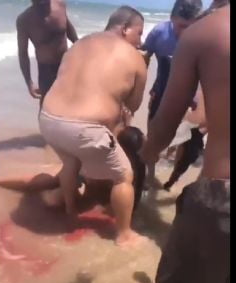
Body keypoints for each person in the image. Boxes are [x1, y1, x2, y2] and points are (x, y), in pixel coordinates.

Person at [124, 4, 230, 283]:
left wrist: (145, 154)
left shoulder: (206, 31)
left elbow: (167, 122)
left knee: (174, 280)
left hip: (222, 191)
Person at [38, 6, 147, 246]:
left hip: (48, 119)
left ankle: (70, 212)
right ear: (125, 28)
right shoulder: (134, 57)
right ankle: (124, 234)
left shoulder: (78, 44)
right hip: (84, 129)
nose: (140, 40)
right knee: (123, 176)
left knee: (70, 162)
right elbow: (133, 105)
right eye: (139, 33)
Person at [141, 0, 202, 187]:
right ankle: (149, 177)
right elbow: (143, 58)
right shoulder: (160, 33)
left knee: (190, 149)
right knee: (154, 138)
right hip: (162, 93)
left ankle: (171, 182)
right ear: (172, 18)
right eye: (181, 26)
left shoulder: (203, 37)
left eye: (190, 27)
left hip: (193, 99)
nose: (185, 33)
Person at [16, 0, 78, 107]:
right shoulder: (24, 20)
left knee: (71, 104)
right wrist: (29, 82)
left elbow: (68, 28)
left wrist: (80, 47)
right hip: (46, 72)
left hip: (67, 64)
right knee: (47, 107)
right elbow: (23, 53)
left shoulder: (60, 5)